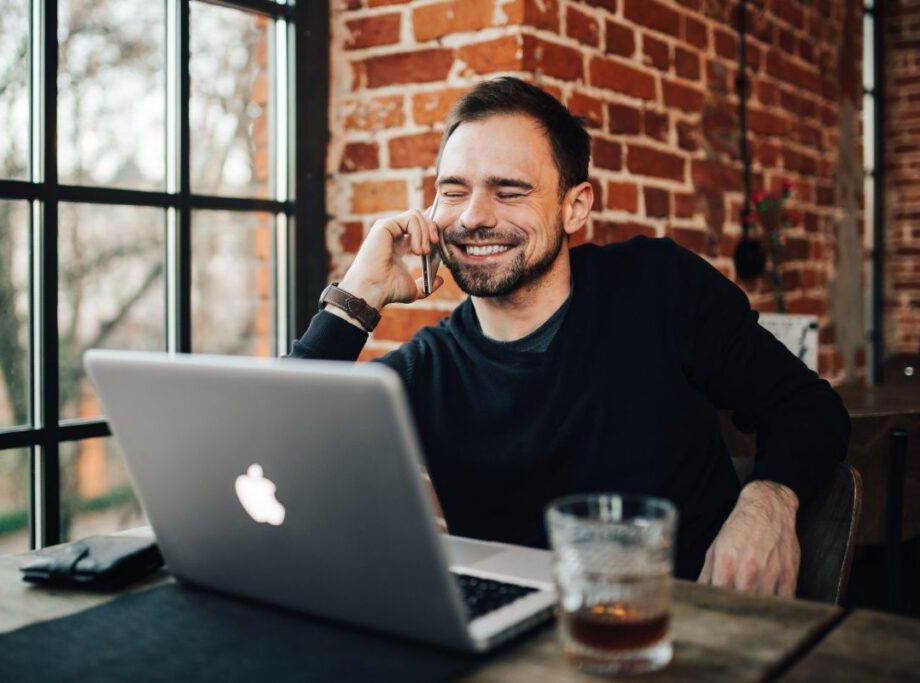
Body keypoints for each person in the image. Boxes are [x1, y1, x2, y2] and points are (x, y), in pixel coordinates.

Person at [290, 77, 849, 597]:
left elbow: (808, 407)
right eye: (453, 191)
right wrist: (355, 300)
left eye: (508, 190)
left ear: (574, 205)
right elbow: (274, 455)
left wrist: (768, 499)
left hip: (689, 625)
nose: (474, 218)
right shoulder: (422, 373)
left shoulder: (659, 286)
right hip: (517, 648)